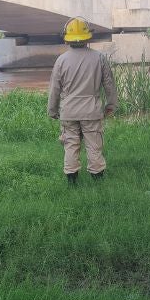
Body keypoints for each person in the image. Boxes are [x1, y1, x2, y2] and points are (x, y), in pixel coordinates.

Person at [47, 17, 118, 185]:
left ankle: (72, 182)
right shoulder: (99, 58)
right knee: (94, 145)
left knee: (71, 145)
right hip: (92, 111)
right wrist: (111, 105)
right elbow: (109, 85)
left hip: (69, 112)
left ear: (66, 37)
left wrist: (52, 110)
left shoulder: (61, 60)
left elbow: (54, 89)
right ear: (88, 37)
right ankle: (98, 181)